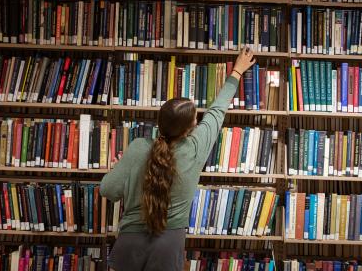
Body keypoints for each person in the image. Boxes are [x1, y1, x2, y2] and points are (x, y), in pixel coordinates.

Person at [100, 47, 255, 271]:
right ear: (190, 128)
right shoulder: (195, 147)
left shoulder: (138, 148)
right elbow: (217, 110)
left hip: (130, 244)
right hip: (168, 245)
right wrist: (237, 71)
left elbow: (108, 190)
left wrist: (129, 178)